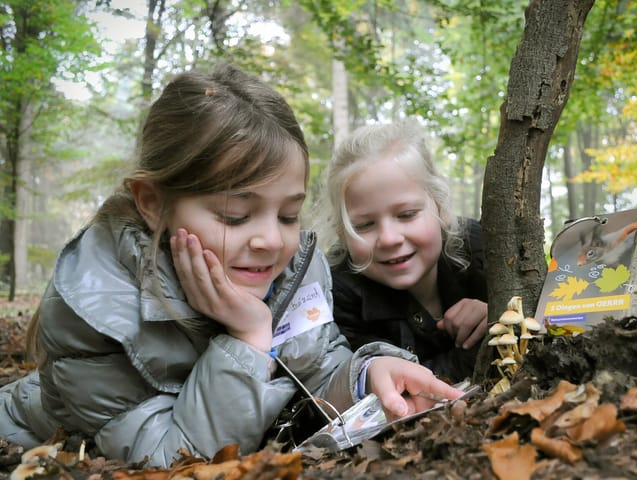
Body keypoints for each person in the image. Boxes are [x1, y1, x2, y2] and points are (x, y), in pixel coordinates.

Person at [0, 65, 461, 466]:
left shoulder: (294, 268)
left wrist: (367, 373)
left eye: (287, 215)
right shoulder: (97, 307)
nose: (270, 241)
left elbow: (318, 365)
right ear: (154, 204)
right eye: (235, 217)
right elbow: (169, 459)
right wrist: (247, 339)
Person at [315, 120, 488, 383]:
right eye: (363, 225)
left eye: (406, 215)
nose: (389, 238)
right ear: (341, 232)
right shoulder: (338, 297)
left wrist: (499, 313)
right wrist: (481, 348)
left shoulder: (481, 248)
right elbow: (399, 386)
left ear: (439, 207)